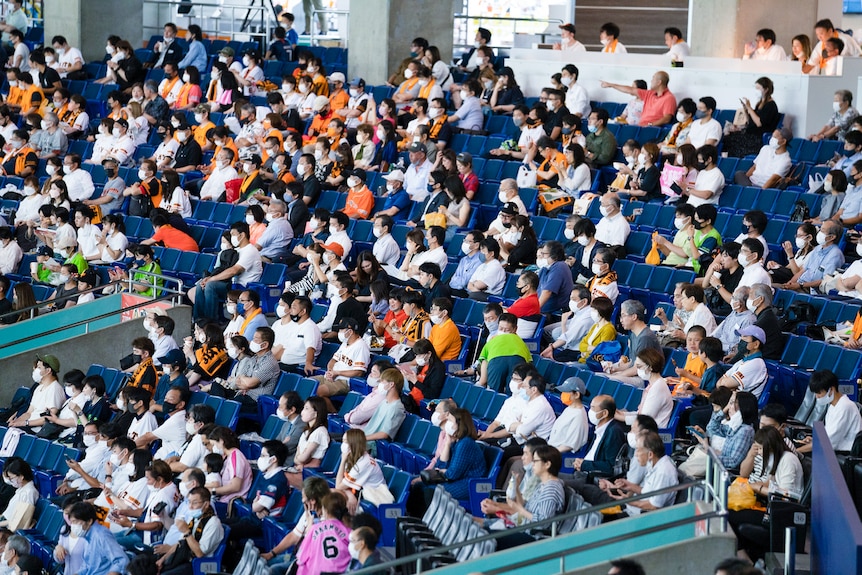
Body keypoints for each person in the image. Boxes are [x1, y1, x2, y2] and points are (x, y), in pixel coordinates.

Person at [408, 407, 486, 516]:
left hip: (466, 484)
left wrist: (442, 471)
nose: (447, 424)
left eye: (450, 421)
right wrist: (448, 443)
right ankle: (414, 518)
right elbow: (441, 464)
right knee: (418, 486)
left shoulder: (466, 443)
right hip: (455, 479)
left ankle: (426, 522)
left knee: (430, 490)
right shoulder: (456, 442)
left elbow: (452, 474)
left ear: (460, 424)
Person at [798, 370, 862, 454]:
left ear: (831, 389)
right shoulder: (833, 406)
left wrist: (796, 451)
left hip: (844, 455)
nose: (817, 397)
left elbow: (828, 443)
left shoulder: (845, 407)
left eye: (819, 393)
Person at [65, 502, 129, 575]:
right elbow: (87, 566)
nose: (73, 526)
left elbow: (121, 561)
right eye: (72, 522)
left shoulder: (101, 535)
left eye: (76, 522)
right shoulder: (86, 536)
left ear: (89, 521)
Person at [781, 220, 844, 292]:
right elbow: (802, 271)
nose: (819, 232)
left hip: (811, 290)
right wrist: (790, 283)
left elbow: (824, 280)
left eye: (822, 231)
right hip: (799, 285)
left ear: (831, 237)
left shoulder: (835, 255)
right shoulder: (817, 248)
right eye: (820, 229)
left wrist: (800, 285)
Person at [601, 71, 676, 127]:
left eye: (653, 79)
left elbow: (667, 118)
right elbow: (629, 90)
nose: (651, 81)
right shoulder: (649, 93)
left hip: (652, 129)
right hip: (640, 126)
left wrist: (650, 125)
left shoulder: (669, 98)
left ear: (659, 82)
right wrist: (610, 85)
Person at [286, 397, 331, 488]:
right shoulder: (305, 432)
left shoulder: (320, 432)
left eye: (306, 409)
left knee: (280, 477)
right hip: (299, 468)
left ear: (316, 413)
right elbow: (297, 458)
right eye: (303, 408)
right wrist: (300, 459)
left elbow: (303, 458)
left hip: (311, 473)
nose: (302, 412)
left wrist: (300, 460)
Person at [717, 326, 769, 399]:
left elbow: (725, 384)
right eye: (741, 337)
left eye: (745, 337)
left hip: (743, 407)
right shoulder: (742, 361)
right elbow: (719, 383)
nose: (741, 340)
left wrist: (729, 386)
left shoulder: (756, 364)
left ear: (756, 344)